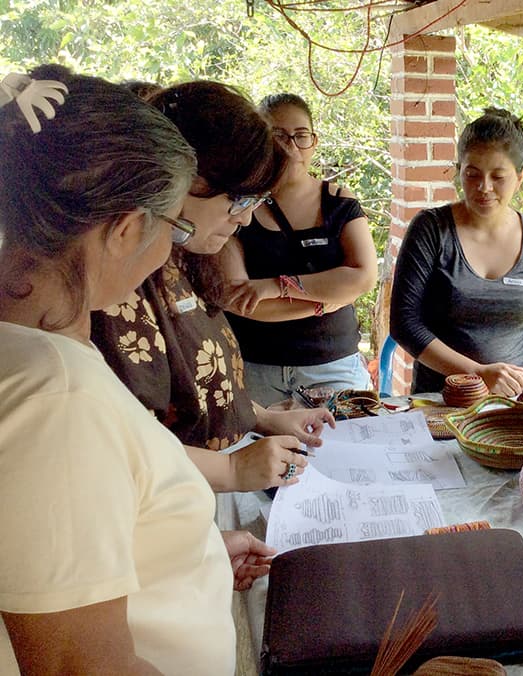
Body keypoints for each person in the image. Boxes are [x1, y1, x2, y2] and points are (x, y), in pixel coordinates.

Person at [0, 64, 273, 674]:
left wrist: (187, 555)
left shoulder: (41, 353)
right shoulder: (59, 401)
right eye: (175, 224)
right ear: (126, 229)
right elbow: (81, 666)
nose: (170, 251)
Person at [90, 81, 334, 493]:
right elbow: (121, 442)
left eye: (254, 203)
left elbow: (198, 382)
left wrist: (262, 418)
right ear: (185, 177)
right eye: (238, 201)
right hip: (173, 493)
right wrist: (231, 471)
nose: (243, 219)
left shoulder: (185, 256)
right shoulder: (117, 279)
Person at [390, 107, 523, 396]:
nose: (484, 187)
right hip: (441, 399)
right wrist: (478, 374)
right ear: (459, 169)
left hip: (514, 400)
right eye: (472, 174)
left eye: (498, 177)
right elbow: (404, 324)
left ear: (520, 177)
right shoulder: (431, 229)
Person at [220, 92, 377, 406]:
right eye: (277, 135)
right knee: (258, 448)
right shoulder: (236, 206)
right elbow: (238, 299)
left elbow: (363, 277)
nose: (290, 146)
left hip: (333, 365)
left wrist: (274, 286)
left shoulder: (339, 202)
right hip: (255, 368)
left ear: (314, 143)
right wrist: (324, 302)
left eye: (301, 136)